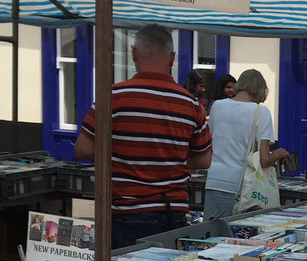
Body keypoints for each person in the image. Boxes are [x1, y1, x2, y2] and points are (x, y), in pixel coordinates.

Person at [74, 24, 212, 248]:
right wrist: (169, 158)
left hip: (127, 212)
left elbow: (83, 149)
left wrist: (124, 155)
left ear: (134, 53)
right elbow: (204, 159)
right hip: (173, 212)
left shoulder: (113, 96)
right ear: (172, 58)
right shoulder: (191, 104)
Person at [203, 69, 288, 221]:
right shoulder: (261, 112)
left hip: (214, 181)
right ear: (259, 90)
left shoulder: (217, 106)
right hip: (243, 187)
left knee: (212, 237)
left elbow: (210, 142)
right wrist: (280, 153)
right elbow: (264, 159)